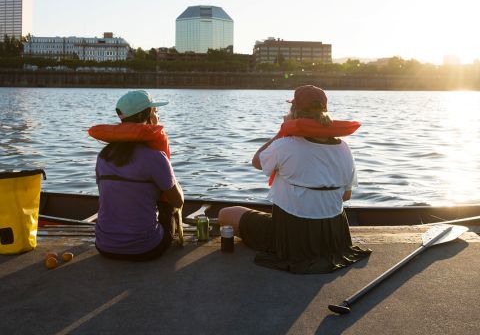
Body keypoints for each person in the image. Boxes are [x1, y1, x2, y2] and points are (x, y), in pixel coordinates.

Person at [218, 85, 371, 273]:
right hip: (334, 235)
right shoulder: (344, 148)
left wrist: (282, 131)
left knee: (225, 213)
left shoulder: (285, 145)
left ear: (294, 112)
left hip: (291, 233)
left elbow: (257, 161)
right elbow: (345, 196)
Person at [92, 90, 184, 261]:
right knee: (169, 202)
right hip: (146, 248)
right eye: (156, 112)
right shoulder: (155, 157)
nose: (158, 116)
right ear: (148, 115)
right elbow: (178, 201)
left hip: (104, 246)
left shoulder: (103, 156)